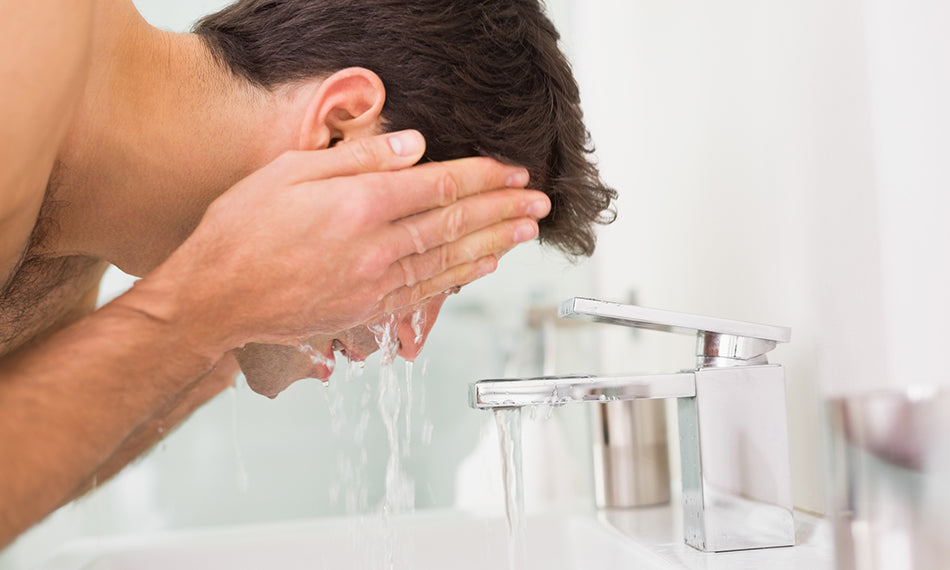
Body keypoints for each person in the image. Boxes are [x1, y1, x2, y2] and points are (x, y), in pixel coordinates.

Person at [0, 0, 615, 549]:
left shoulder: (80, 236)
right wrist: (210, 304)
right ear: (338, 129)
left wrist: (232, 319)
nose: (408, 341)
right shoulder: (24, 44)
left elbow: (28, 454)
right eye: (422, 256)